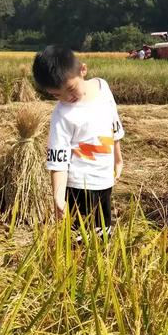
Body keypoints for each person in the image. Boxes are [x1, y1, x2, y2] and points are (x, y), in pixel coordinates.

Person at [32, 45, 124, 238]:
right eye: (57, 95)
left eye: (70, 89)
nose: (67, 98)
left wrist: (118, 158)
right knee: (79, 240)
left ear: (83, 70)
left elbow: (113, 123)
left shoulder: (102, 87)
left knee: (103, 233)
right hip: (78, 187)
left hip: (104, 181)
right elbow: (58, 158)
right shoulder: (61, 115)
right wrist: (58, 194)